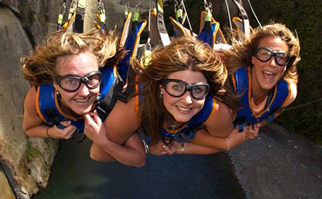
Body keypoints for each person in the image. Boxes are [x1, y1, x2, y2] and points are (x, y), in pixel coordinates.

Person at [88, 36, 251, 165]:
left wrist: (180, 148)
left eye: (198, 89)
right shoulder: (137, 105)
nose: (187, 100)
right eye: (177, 88)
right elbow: (98, 154)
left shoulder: (214, 109)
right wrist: (127, 140)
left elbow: (220, 142)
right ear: (161, 87)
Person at [21, 29, 146, 167]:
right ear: (55, 84)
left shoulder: (112, 100)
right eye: (71, 81)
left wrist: (102, 141)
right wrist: (52, 132)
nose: (84, 92)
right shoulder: (39, 100)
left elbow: (139, 158)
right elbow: (29, 129)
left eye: (91, 78)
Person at [222, 22, 300, 134]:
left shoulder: (287, 93)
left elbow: (278, 110)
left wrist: (257, 125)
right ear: (253, 58)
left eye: (281, 58)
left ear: (286, 66)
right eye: (265, 54)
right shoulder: (230, 83)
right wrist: (228, 143)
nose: (272, 63)